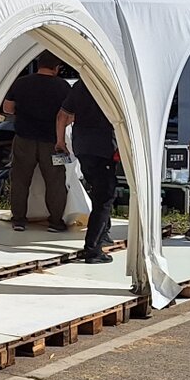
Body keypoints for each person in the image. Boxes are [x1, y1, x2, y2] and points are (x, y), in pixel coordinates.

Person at [0, 55, 71, 232]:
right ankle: (55, 222)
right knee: (56, 181)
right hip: (54, 142)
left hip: (24, 139)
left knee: (20, 180)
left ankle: (18, 220)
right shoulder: (63, 86)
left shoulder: (21, 83)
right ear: (56, 68)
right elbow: (69, 115)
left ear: (39, 65)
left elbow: (7, 108)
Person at [56, 76, 119, 264]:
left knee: (97, 190)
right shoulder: (112, 85)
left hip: (82, 146)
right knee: (105, 197)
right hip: (104, 147)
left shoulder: (81, 85)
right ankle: (93, 248)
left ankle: (103, 234)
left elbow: (62, 116)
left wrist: (60, 141)